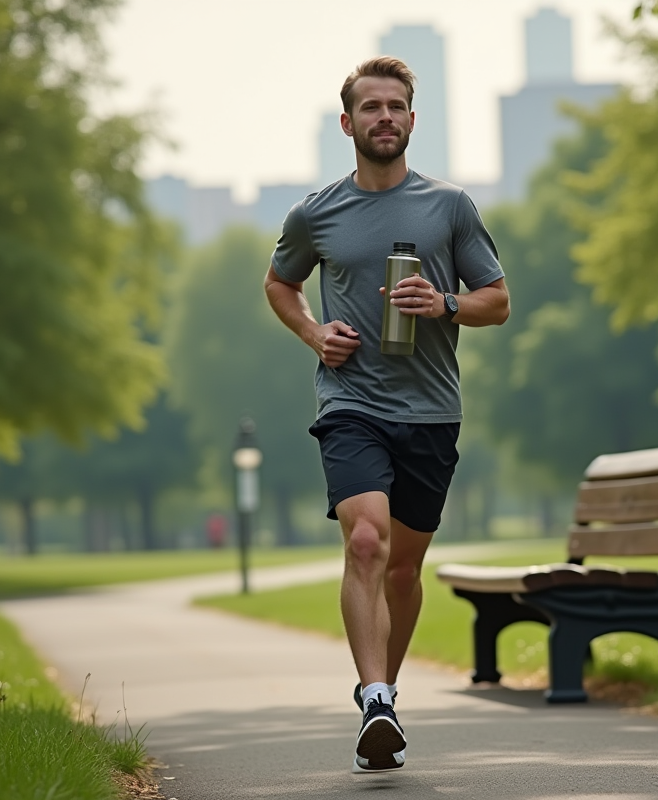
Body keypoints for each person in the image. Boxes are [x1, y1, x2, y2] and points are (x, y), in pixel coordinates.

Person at [263, 56, 510, 773]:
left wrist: (446, 304)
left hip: (431, 410)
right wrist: (314, 333)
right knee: (365, 542)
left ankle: (386, 697)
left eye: (395, 106)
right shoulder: (316, 212)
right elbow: (281, 284)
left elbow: (498, 300)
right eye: (370, 107)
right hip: (351, 403)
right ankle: (374, 697)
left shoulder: (450, 206)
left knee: (403, 571)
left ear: (411, 119)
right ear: (348, 123)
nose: (384, 118)